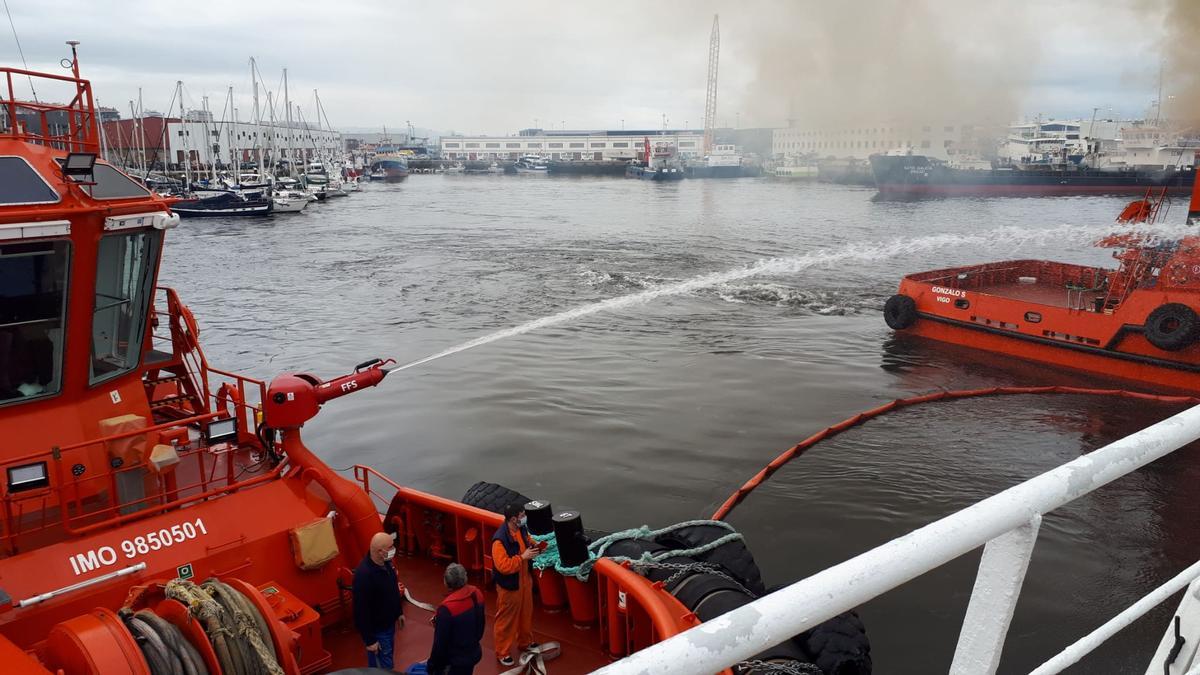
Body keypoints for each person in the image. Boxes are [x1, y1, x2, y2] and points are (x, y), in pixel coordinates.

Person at [491, 503, 539, 666]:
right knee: (506, 619)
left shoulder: (520, 530)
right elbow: (503, 566)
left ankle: (525, 642)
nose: (524, 518)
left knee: (526, 612)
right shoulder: (499, 540)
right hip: (509, 586)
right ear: (513, 519)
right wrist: (523, 557)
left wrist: (535, 546)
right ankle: (502, 652)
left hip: (524, 580)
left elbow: (526, 540)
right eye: (522, 515)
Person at [354, 531, 404, 669]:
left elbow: (393, 590)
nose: (394, 550)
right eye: (390, 547)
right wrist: (370, 640)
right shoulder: (364, 576)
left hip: (389, 624)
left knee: (388, 658)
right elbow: (361, 610)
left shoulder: (386, 564)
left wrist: (399, 612)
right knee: (383, 667)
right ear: (380, 551)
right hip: (378, 631)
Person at [426, 563, 485, 675]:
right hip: (472, 654)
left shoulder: (446, 609)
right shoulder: (477, 594)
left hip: (454, 662)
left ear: (447, 582)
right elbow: (480, 627)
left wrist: (432, 665)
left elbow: (440, 645)